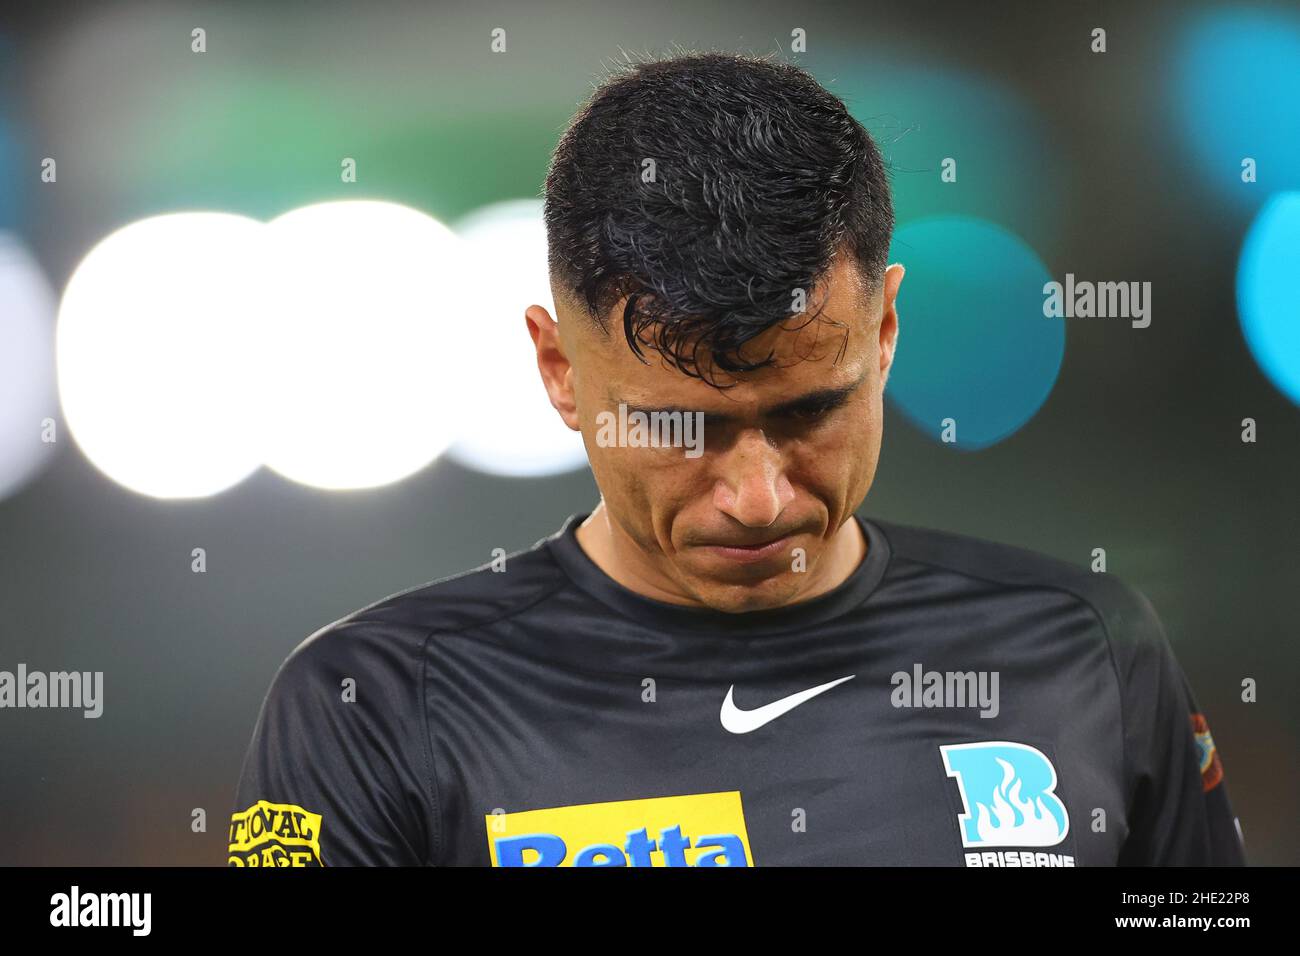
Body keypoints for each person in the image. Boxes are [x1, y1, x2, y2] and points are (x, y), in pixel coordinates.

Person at [228, 51, 1245, 867]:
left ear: (885, 328)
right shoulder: (368, 705)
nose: (758, 497)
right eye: (679, 426)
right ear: (558, 368)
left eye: (811, 409)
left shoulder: (1084, 649)